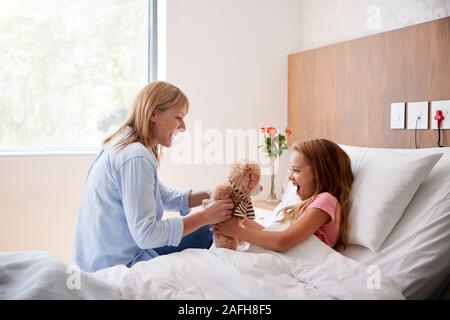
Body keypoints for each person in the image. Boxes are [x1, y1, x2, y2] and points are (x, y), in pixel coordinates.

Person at [72, 81, 234, 272]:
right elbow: (146, 234)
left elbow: (160, 195)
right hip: (116, 264)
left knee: (207, 224)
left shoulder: (122, 142)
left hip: (95, 258)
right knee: (210, 228)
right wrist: (205, 216)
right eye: (178, 117)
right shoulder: (135, 156)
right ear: (154, 115)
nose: (183, 127)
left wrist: (211, 194)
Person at [215, 139, 354, 251]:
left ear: (320, 174)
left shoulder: (326, 200)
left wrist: (236, 231)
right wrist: (240, 217)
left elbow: (283, 242)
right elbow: (271, 235)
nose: (290, 177)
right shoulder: (309, 204)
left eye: (296, 170)